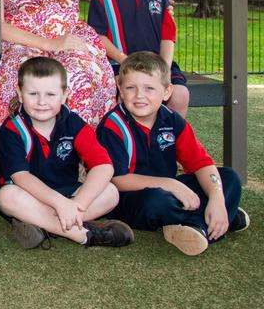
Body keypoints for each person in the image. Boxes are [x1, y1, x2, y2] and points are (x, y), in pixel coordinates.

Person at [97, 52, 249, 256]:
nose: (139, 96)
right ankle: (212, 223)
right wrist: (171, 184)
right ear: (120, 89)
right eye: (130, 88)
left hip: (171, 190)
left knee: (228, 178)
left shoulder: (173, 121)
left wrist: (217, 198)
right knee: (157, 201)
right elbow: (118, 180)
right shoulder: (111, 126)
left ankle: (202, 222)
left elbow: (201, 163)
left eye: (149, 88)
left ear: (167, 91)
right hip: (133, 199)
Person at [0, 57, 134, 249]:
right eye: (33, 93)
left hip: (70, 195)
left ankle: (44, 225)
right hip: (30, 196)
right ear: (20, 94)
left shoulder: (74, 123)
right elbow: (21, 177)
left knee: (111, 192)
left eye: (51, 94)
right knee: (6, 197)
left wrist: (77, 204)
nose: (42, 102)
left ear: (64, 95)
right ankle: (84, 235)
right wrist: (59, 204)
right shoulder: (12, 129)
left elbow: (103, 166)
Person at [87, 0, 190, 117]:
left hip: (157, 64)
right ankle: (126, 143)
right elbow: (96, 36)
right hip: (120, 64)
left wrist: (164, 69)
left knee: (180, 95)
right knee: (122, 97)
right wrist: (123, 60)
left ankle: (172, 143)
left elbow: (168, 36)